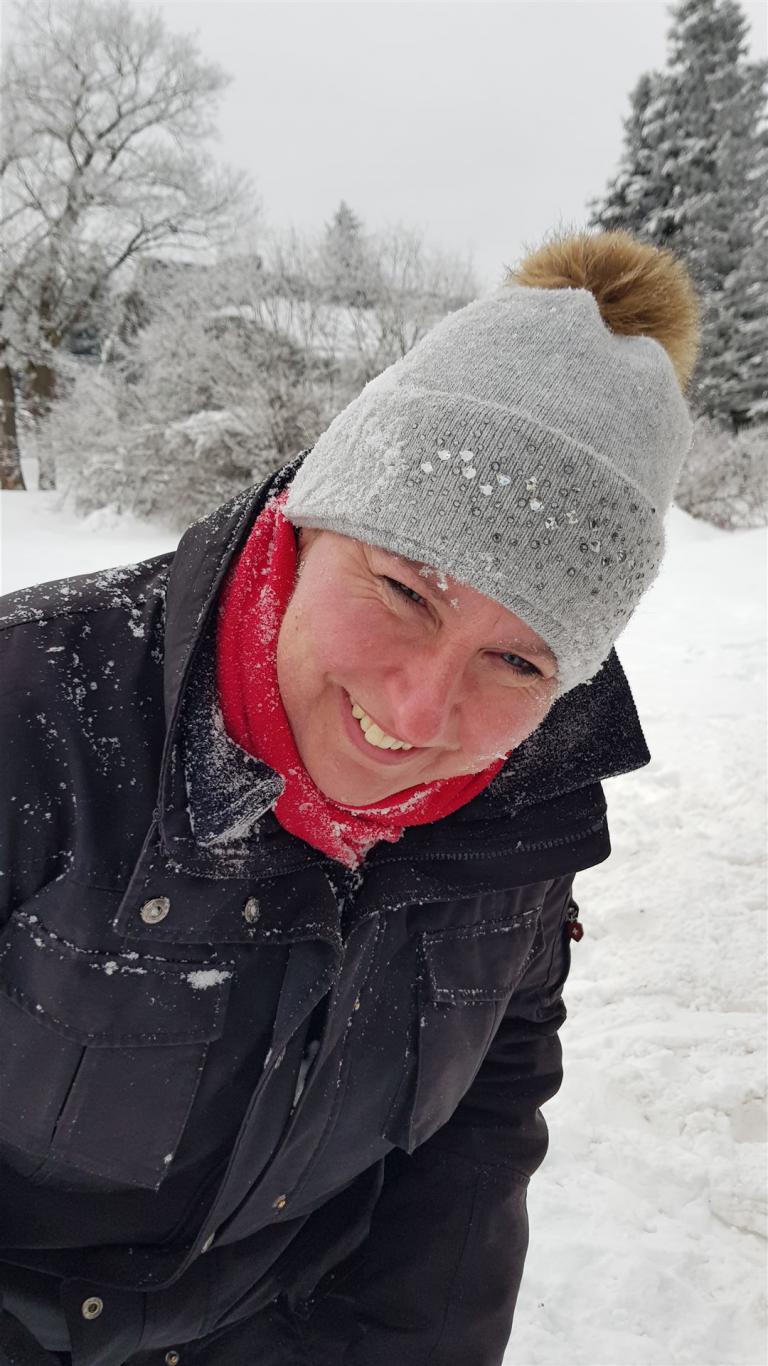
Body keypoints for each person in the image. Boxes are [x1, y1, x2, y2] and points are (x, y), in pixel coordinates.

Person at [0, 230, 700, 1366]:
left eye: (516, 661)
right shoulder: (35, 711)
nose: (422, 713)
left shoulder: (523, 807)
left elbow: (479, 1125)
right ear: (311, 519)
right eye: (406, 592)